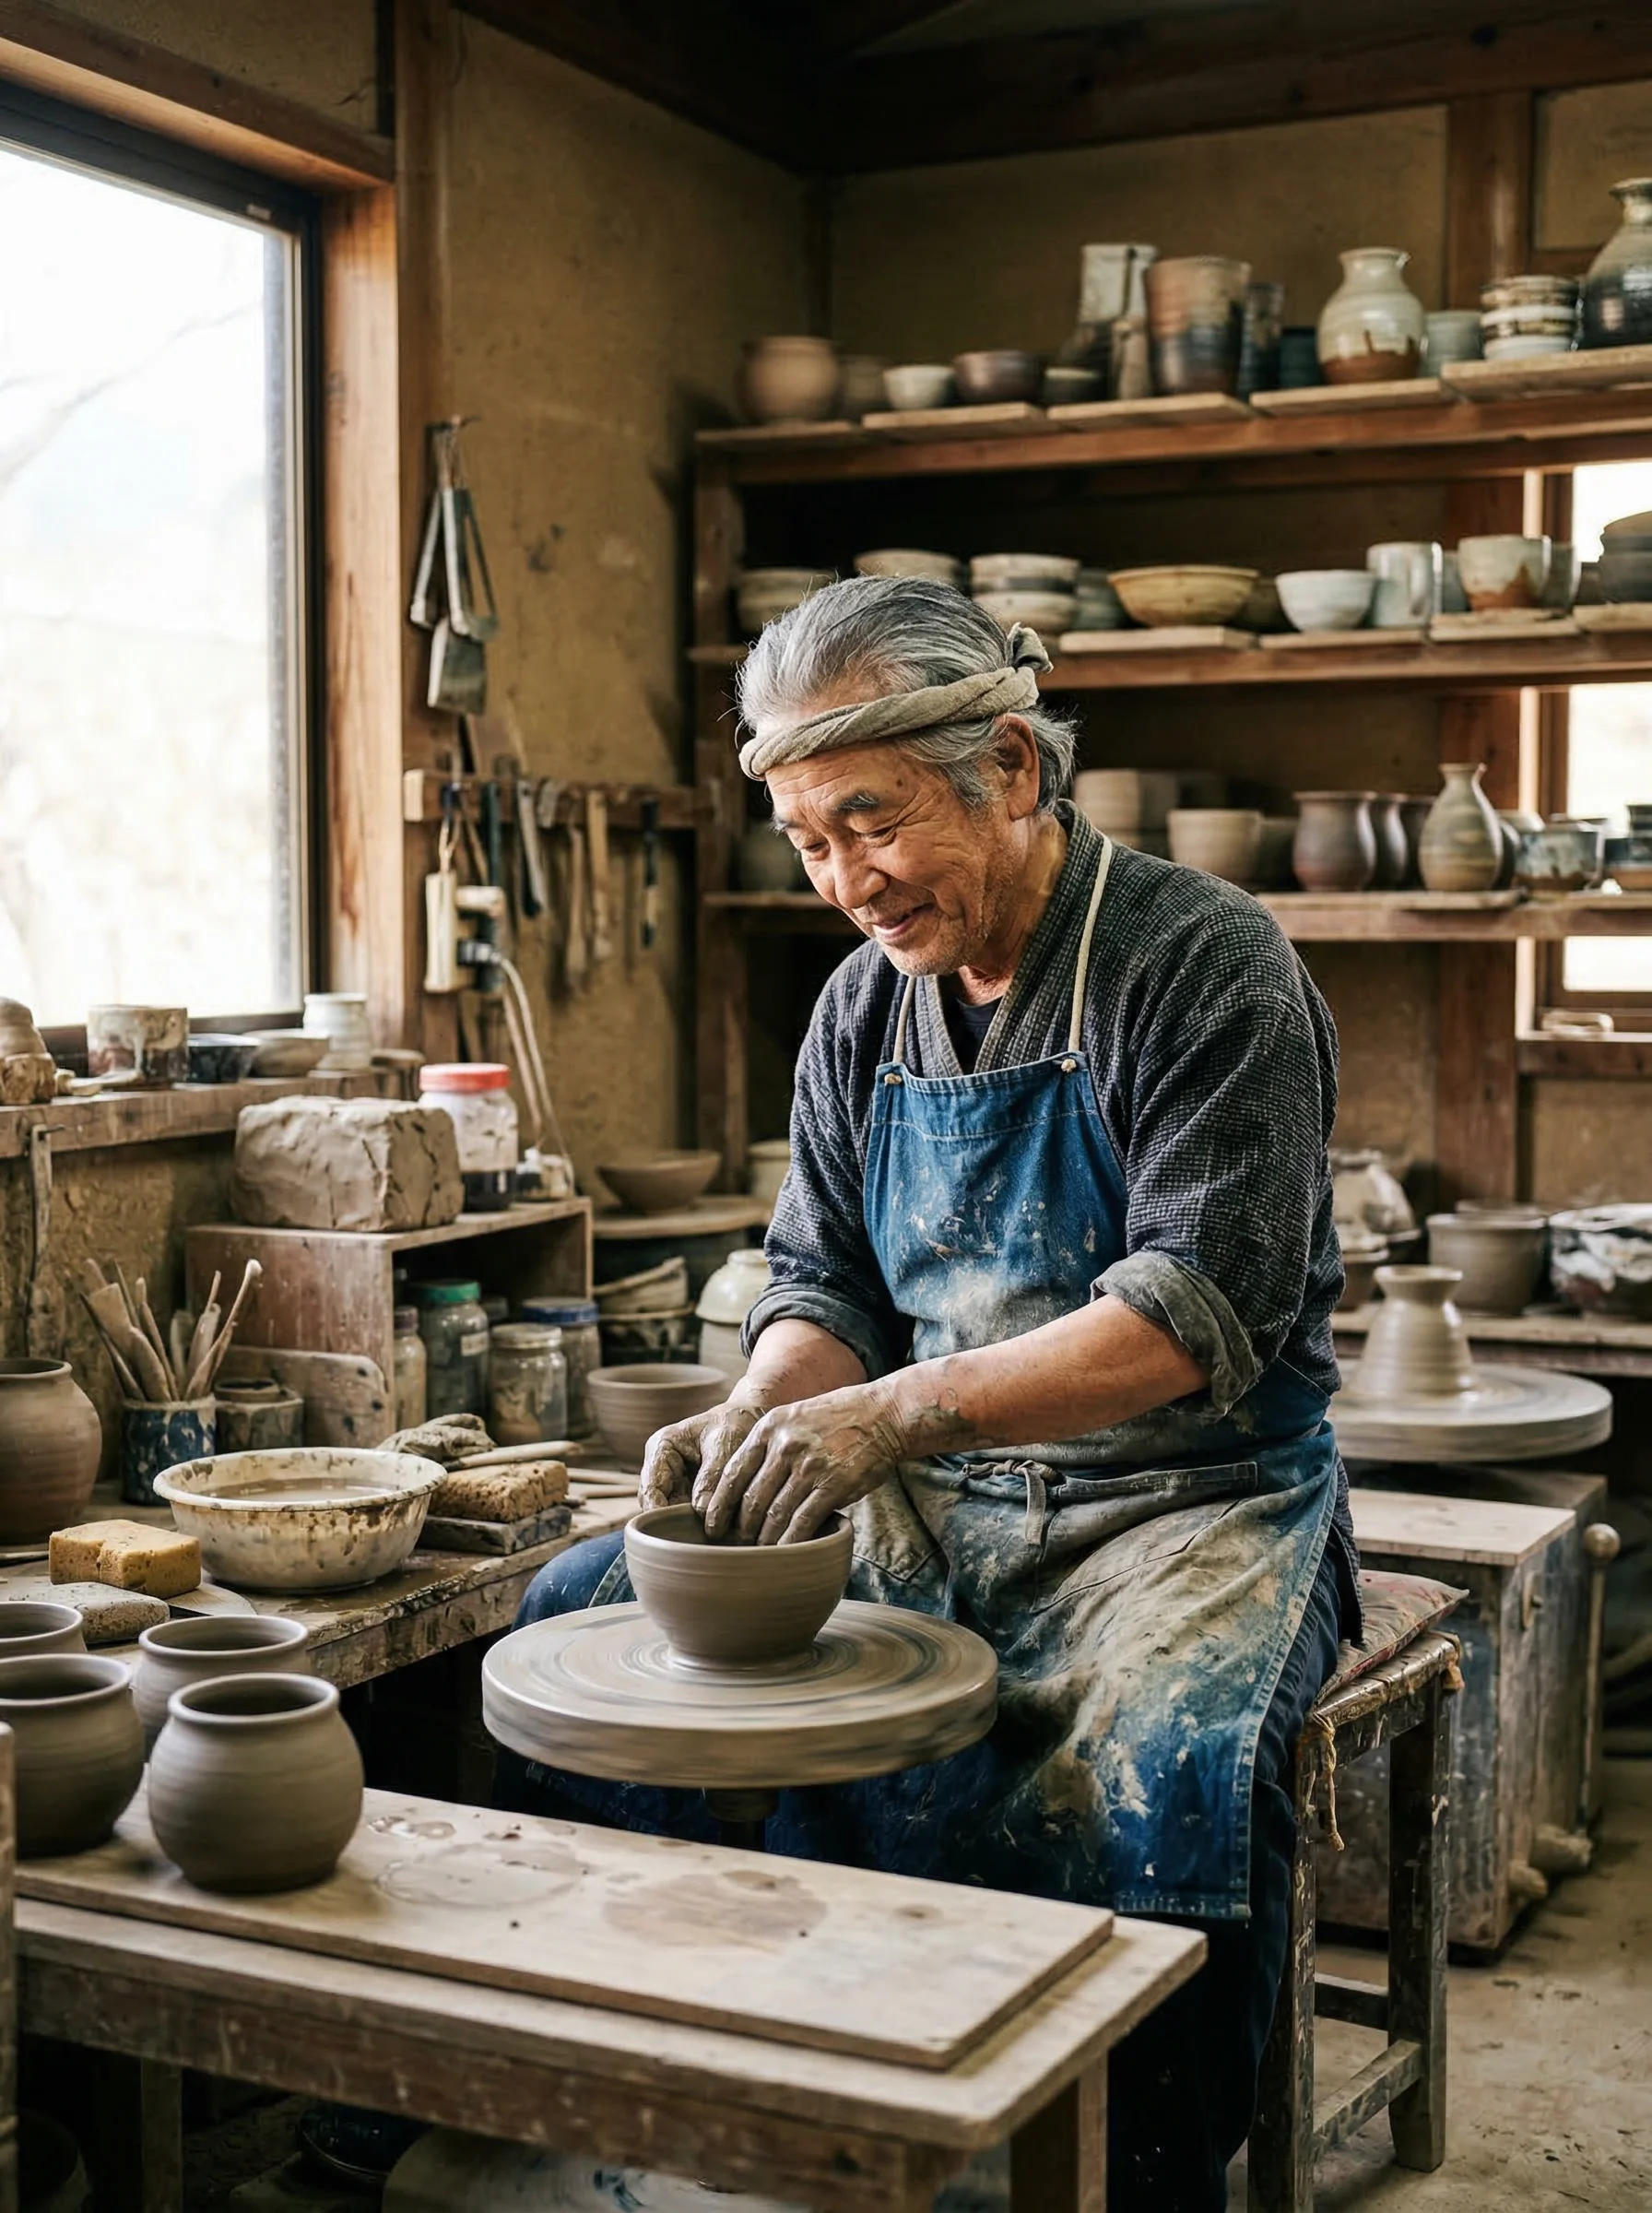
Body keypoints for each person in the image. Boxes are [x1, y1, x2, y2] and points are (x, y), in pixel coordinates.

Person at [511, 574, 1363, 2210]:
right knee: (582, 1616)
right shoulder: (860, 1009)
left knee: (1161, 1767)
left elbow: (1197, 1311)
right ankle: (764, 2108)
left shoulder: (1203, 966)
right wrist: (769, 1405)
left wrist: (889, 1417)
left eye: (873, 824)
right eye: (812, 842)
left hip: (1187, 1502)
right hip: (948, 1488)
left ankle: (1133, 2178)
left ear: (1014, 771)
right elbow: (823, 1286)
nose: (847, 882)